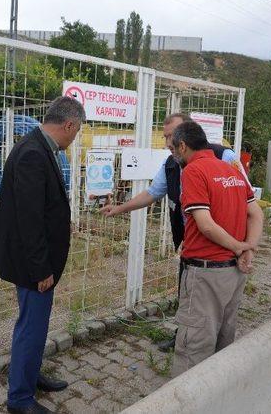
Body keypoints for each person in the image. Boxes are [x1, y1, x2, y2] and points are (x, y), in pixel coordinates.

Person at [100, 112, 243, 352]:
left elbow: (244, 202)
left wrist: (243, 246)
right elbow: (152, 193)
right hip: (192, 247)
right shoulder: (171, 164)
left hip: (224, 249)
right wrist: (120, 208)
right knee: (189, 295)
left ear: (188, 134)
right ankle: (185, 335)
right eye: (166, 136)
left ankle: (208, 354)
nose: (169, 143)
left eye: (173, 136)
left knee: (221, 307)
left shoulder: (224, 157)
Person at [0, 96, 85, 414]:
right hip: (33, 264)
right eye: (77, 130)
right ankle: (19, 400)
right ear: (68, 124)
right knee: (31, 326)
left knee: (36, 326)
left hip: (35, 259)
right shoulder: (32, 153)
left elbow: (40, 206)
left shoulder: (39, 146)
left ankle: (30, 375)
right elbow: (28, 220)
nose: (75, 137)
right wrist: (42, 268)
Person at [169, 120, 263, 376]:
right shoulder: (231, 170)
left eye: (172, 148)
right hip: (234, 274)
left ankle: (187, 404)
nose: (172, 154)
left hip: (206, 273)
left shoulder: (193, 171)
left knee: (194, 347)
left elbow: (205, 225)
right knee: (223, 339)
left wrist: (239, 247)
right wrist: (248, 249)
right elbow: (256, 214)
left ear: (183, 146)